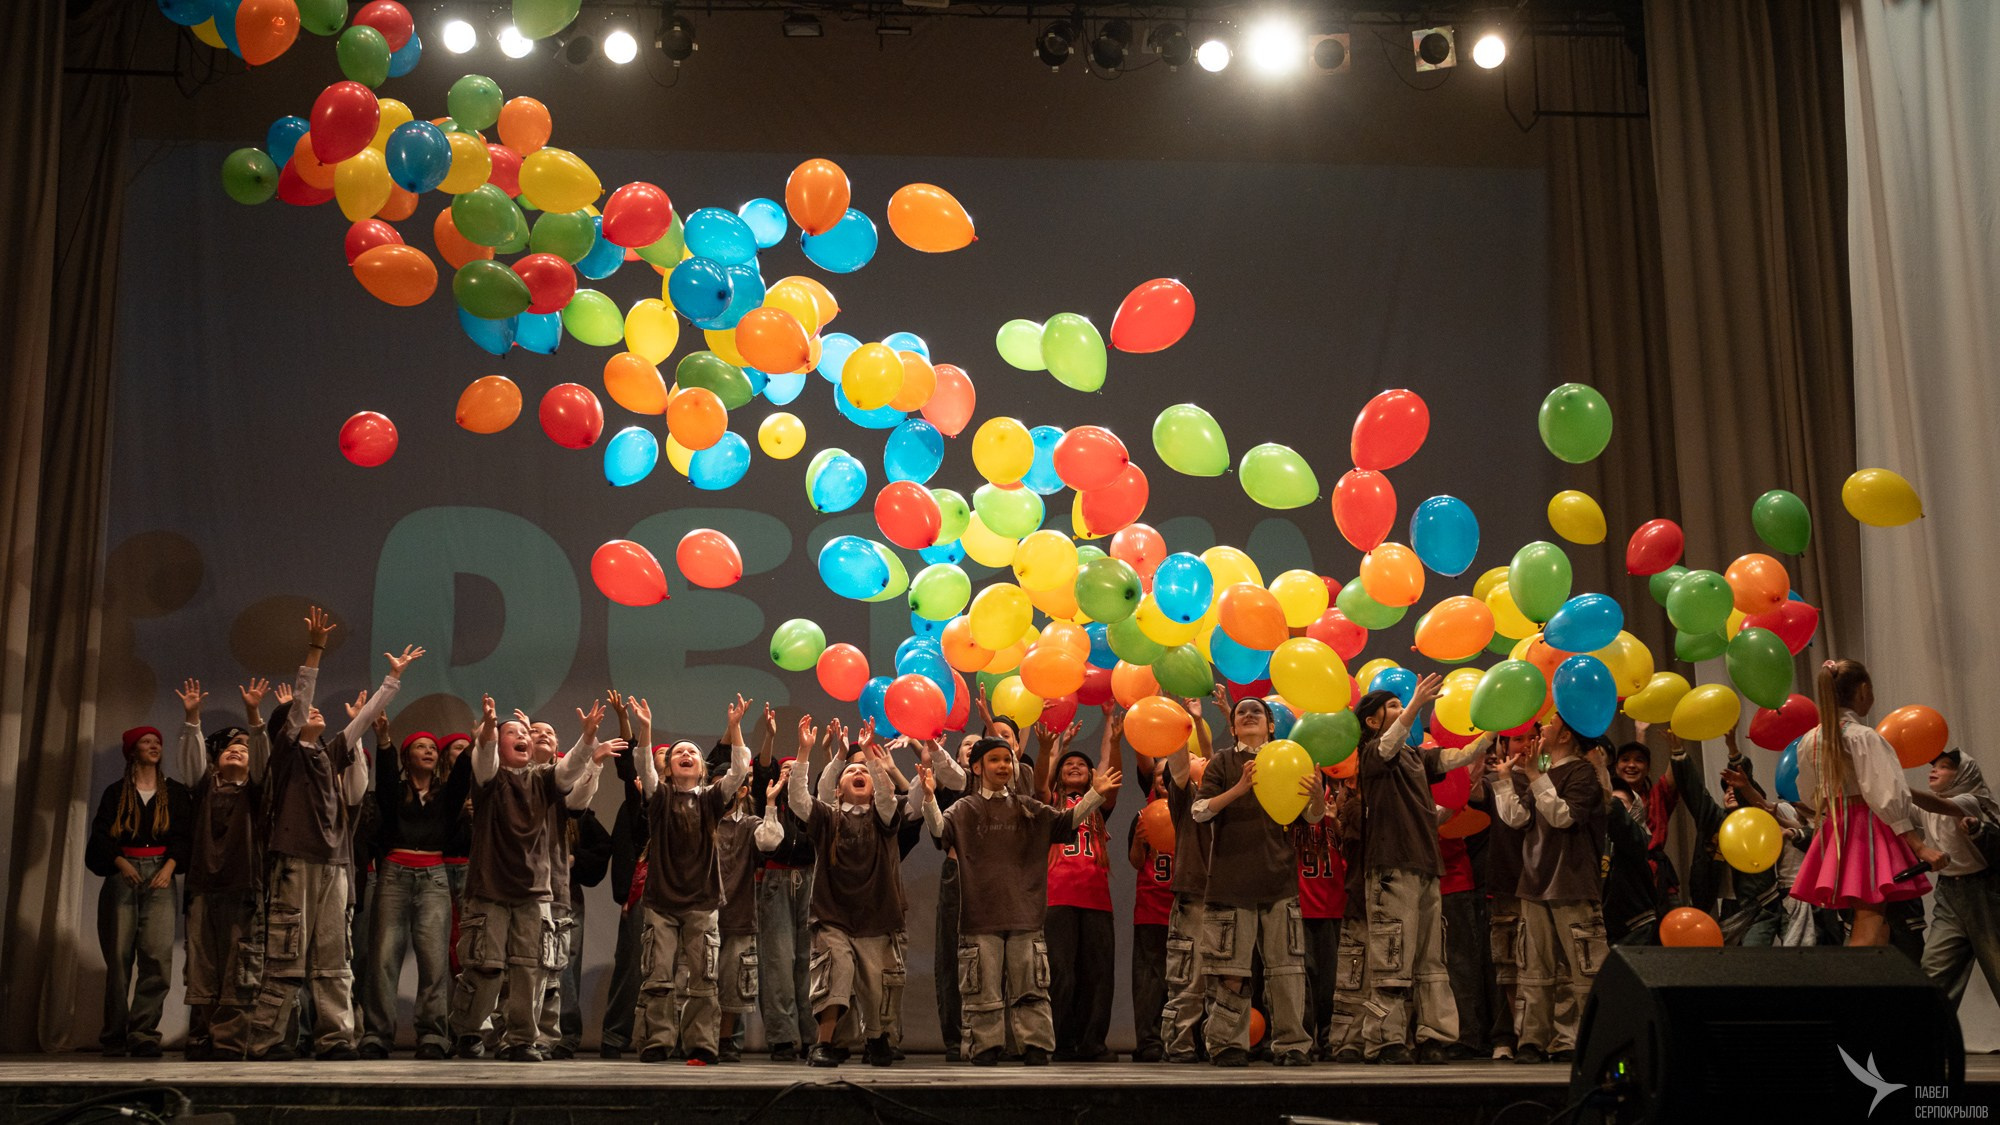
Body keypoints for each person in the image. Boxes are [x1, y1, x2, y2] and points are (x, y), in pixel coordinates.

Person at [245, 609, 421, 1061]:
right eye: (305, 712)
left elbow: (364, 720)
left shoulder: (329, 754)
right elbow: (301, 701)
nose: (315, 711)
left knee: (334, 956)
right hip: (296, 861)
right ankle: (269, 1039)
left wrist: (393, 680)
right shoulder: (287, 755)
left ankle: (336, 1038)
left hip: (335, 864)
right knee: (287, 952)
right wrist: (316, 649)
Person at [932, 735, 1118, 1066]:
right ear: (978, 767)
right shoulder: (965, 808)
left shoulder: (1027, 807)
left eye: (1007, 760)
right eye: (995, 760)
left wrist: (1095, 795)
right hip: (980, 914)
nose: (1003, 766)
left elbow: (1064, 822)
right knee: (983, 987)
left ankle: (1035, 1045)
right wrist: (926, 797)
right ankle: (985, 1046)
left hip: (1024, 913)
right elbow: (939, 831)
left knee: (1031, 985)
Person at [448, 694, 615, 1061]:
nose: (523, 736)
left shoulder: (543, 778)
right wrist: (488, 731)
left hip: (534, 890)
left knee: (530, 970)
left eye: (525, 732)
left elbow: (570, 769)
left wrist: (587, 738)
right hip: (490, 887)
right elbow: (484, 756)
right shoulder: (489, 779)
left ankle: (522, 1039)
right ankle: (469, 1030)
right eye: (514, 733)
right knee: (486, 968)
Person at [1341, 677, 1475, 1064]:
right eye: (1394, 705)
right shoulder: (1371, 754)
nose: (1403, 709)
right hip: (1390, 867)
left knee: (1431, 957)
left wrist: (1493, 730)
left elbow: (1456, 758)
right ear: (1372, 721)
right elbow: (1388, 745)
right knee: (1392, 953)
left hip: (1425, 865)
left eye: (1403, 704)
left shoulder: (1415, 757)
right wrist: (1416, 704)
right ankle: (1385, 1038)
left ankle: (1434, 1035)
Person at [1194, 693, 1326, 1067]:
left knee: (1287, 970)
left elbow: (1311, 817)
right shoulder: (1222, 762)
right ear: (1233, 726)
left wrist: (1317, 797)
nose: (1249, 715)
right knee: (1230, 971)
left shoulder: (1288, 757)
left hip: (1279, 880)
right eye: (1241, 712)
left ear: (1271, 724)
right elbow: (1199, 811)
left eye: (1257, 711)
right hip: (1230, 882)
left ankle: (1292, 1044)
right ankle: (1227, 1044)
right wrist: (1238, 789)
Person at [784, 720, 925, 1068]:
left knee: (876, 987)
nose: (859, 773)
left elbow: (892, 797)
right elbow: (798, 798)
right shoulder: (826, 816)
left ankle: (876, 1039)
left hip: (876, 916)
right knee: (835, 975)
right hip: (833, 915)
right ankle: (824, 1043)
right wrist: (806, 751)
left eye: (864, 771)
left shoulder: (884, 815)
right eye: (851, 772)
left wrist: (870, 757)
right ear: (838, 789)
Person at [628, 695, 751, 1065]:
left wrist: (734, 728)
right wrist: (646, 729)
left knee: (703, 976)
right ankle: (657, 1041)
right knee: (658, 975)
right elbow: (644, 766)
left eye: (693, 753)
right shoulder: (660, 797)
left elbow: (738, 771)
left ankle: (701, 1044)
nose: (685, 754)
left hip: (701, 901)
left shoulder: (712, 799)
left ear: (701, 769)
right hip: (662, 902)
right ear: (669, 768)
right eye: (678, 752)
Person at [1791, 660, 1946, 945]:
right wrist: (1919, 846)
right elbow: (1885, 794)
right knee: (1870, 917)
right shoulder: (1863, 737)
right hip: (1867, 828)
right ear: (1863, 690)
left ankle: (1873, 972)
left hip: (1836, 827)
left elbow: (1808, 794)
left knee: (1873, 920)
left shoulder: (1809, 741)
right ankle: (1856, 975)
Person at [1490, 713, 1605, 1064]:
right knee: (1534, 968)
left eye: (1551, 724)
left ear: (1566, 736)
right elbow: (1518, 818)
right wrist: (1506, 780)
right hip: (1535, 882)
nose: (1543, 729)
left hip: (1571, 882)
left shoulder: (1582, 772)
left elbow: (1563, 816)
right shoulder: (1543, 774)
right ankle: (1533, 1039)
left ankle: (1591, 1039)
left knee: (1584, 967)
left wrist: (1536, 777)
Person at [87, 710, 196, 1060]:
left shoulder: (174, 793)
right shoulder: (116, 793)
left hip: (160, 874)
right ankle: (114, 1035)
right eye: (146, 742)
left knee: (157, 958)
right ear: (132, 750)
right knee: (119, 960)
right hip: (124, 875)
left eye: (157, 742)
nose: (153, 746)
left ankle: (144, 1033)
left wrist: (170, 867)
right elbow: (101, 836)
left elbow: (183, 835)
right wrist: (120, 862)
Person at [360, 725, 474, 1059]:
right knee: (384, 958)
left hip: (433, 876)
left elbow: (461, 776)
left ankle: (433, 1036)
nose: (429, 751)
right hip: (394, 875)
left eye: (433, 748)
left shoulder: (445, 795)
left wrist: (476, 744)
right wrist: (384, 742)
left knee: (433, 959)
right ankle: (377, 1034)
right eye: (420, 747)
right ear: (406, 757)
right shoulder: (395, 792)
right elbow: (384, 779)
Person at [176, 678, 269, 1062]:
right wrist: (192, 718)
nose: (237, 751)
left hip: (243, 888)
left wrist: (254, 716)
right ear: (215, 759)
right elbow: (190, 762)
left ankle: (230, 1041)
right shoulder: (204, 787)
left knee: (239, 966)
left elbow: (263, 759)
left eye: (243, 750)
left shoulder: (257, 791)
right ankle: (201, 1035)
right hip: (203, 888)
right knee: (201, 965)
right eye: (230, 748)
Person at [1035, 714, 1120, 1062]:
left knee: (1098, 975)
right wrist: (1048, 750)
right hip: (1058, 898)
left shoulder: (1099, 804)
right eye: (1068, 764)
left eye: (1081, 765)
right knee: (1060, 973)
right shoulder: (1050, 803)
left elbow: (1109, 769)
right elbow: (1041, 780)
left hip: (1097, 900)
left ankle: (1092, 1043)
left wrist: (1112, 732)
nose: (1075, 766)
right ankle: (1060, 1041)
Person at [753, 708, 817, 1062]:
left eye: (796, 769)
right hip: (777, 880)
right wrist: (770, 736)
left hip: (809, 880)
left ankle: (810, 1035)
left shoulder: (811, 808)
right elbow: (763, 767)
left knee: (807, 960)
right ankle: (782, 1037)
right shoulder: (771, 806)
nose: (790, 773)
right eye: (785, 769)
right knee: (778, 960)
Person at [1467, 727, 1534, 1060]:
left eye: (1532, 737)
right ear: (1503, 745)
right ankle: (1506, 1036)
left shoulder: (1547, 779)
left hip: (1543, 887)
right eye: (1519, 739)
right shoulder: (1493, 783)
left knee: (1538, 966)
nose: (1526, 745)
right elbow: (1472, 794)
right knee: (1506, 967)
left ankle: (1536, 1036)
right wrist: (1478, 764)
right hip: (1506, 884)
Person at [1914, 750, 2000, 1006]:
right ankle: (1933, 1031)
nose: (1934, 770)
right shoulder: (1927, 807)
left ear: (1963, 774)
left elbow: (1938, 805)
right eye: (1934, 766)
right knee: (1933, 971)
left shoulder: (1971, 800)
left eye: (1945, 766)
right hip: (1949, 894)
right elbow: (1897, 814)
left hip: (1985, 894)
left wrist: (1896, 784)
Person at [1158, 694, 1213, 1063]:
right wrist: (1179, 721)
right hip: (1194, 894)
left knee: (1226, 977)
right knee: (1188, 977)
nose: (1200, 759)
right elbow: (1179, 763)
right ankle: (1179, 1044)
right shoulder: (1184, 798)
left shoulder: (1229, 796)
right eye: (1196, 758)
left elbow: (1220, 764)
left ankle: (1221, 1042)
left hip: (1227, 894)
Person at [598, 691, 648, 1058]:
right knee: (631, 966)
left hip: (681, 892)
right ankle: (616, 1035)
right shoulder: (640, 802)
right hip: (644, 889)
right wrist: (625, 720)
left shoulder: (690, 801)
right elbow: (629, 766)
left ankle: (664, 1037)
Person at [711, 736, 762, 1063]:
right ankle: (697, 1036)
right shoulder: (701, 820)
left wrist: (771, 808)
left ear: (741, 791)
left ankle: (725, 1038)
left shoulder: (751, 825)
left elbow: (771, 841)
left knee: (732, 982)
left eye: (729, 785)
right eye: (716, 785)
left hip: (738, 915)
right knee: (699, 980)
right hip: (702, 915)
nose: (723, 791)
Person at [1126, 716, 1174, 1063]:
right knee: (1148, 979)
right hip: (1150, 909)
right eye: (1159, 775)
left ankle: (1182, 1039)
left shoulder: (1192, 812)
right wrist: (1139, 842)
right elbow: (1134, 862)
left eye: (1168, 775)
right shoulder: (1143, 815)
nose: (1163, 779)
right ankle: (1149, 1041)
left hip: (1184, 908)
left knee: (1184, 979)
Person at [1295, 764, 1348, 1060]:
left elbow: (1351, 849)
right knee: (1302, 979)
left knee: (1331, 980)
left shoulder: (1334, 817)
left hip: (1332, 907)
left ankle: (1329, 1037)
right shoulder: (1290, 817)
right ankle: (1303, 1038)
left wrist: (1336, 820)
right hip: (1301, 907)